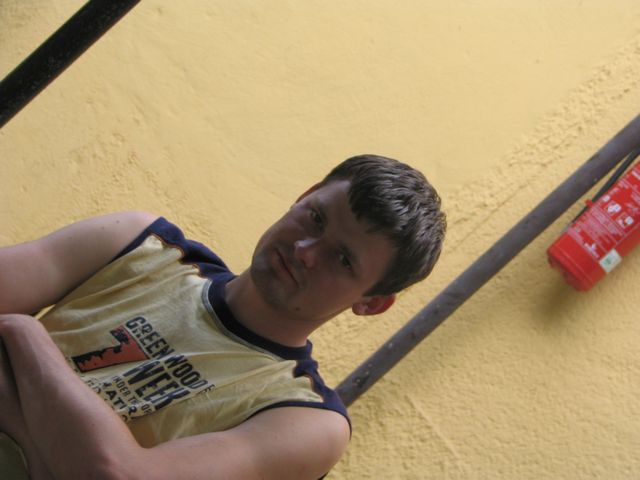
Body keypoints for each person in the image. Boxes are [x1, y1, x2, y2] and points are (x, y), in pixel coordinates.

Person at [0, 154, 446, 479]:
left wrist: (23, 331)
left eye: (343, 259)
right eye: (316, 218)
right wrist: (56, 457)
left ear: (372, 303)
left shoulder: (307, 420)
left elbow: (116, 475)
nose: (306, 251)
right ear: (304, 195)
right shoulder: (138, 243)